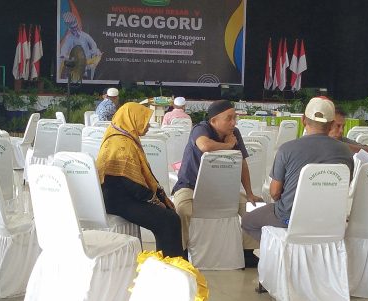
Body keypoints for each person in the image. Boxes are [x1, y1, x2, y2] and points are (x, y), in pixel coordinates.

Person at [241, 97, 354, 241]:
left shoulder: (287, 149)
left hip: (290, 217)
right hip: (329, 219)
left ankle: (282, 249)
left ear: (303, 120)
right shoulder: (345, 151)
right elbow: (344, 186)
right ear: (332, 124)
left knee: (248, 221)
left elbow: (275, 193)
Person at [172, 100, 263, 261]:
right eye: (229, 118)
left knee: (252, 208)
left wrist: (249, 193)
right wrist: (228, 146)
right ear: (213, 121)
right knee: (182, 209)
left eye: (235, 118)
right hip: (190, 186)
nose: (233, 122)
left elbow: (242, 163)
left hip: (221, 190)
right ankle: (182, 252)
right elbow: (204, 146)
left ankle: (247, 252)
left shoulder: (235, 134)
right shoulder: (200, 129)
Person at [96, 102, 182, 257]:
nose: (148, 125)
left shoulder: (119, 135)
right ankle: (171, 268)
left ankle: (170, 263)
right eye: (145, 120)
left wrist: (157, 199)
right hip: (118, 201)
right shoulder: (122, 144)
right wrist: (154, 201)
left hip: (119, 197)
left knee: (169, 217)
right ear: (132, 119)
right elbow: (131, 183)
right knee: (169, 221)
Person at [59, 11, 102, 80]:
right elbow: (63, 52)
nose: (75, 29)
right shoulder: (68, 38)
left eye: (75, 27)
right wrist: (66, 57)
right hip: (74, 66)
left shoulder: (85, 36)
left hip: (87, 65)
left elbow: (94, 47)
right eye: (73, 28)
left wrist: (95, 55)